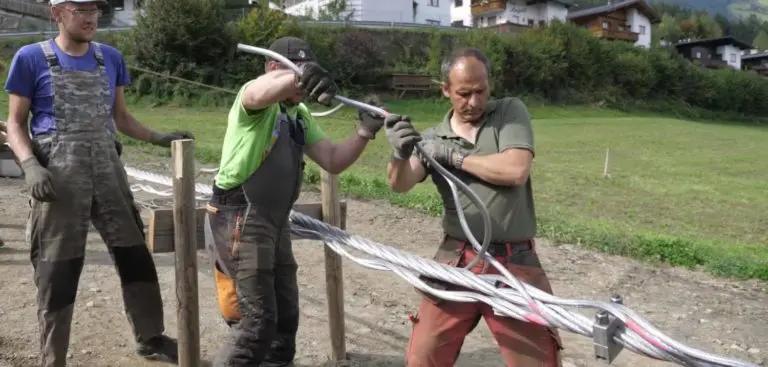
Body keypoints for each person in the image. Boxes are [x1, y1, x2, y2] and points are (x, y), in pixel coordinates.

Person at [4, 0, 194, 365]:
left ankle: (150, 337)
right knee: (57, 267)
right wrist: (30, 165)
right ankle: (53, 357)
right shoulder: (30, 58)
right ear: (57, 13)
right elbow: (14, 123)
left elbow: (120, 117)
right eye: (80, 9)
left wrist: (158, 137)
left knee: (134, 253)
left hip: (108, 168)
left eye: (95, 9)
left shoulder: (110, 58)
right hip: (58, 175)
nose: (91, 17)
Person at [205, 36, 386, 367]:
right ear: (275, 68)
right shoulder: (254, 102)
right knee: (255, 324)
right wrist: (297, 75)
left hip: (275, 223)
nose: (303, 82)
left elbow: (332, 159)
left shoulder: (298, 113)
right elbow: (260, 90)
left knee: (285, 320)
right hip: (241, 219)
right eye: (295, 70)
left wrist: (365, 131)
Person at [384, 47, 564, 367]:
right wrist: (398, 154)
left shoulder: (509, 112)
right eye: (464, 93)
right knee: (422, 357)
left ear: (489, 85)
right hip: (458, 261)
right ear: (445, 90)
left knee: (539, 361)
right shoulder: (431, 138)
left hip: (513, 263)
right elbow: (401, 183)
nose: (474, 102)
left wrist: (453, 157)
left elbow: (515, 169)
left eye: (481, 91)